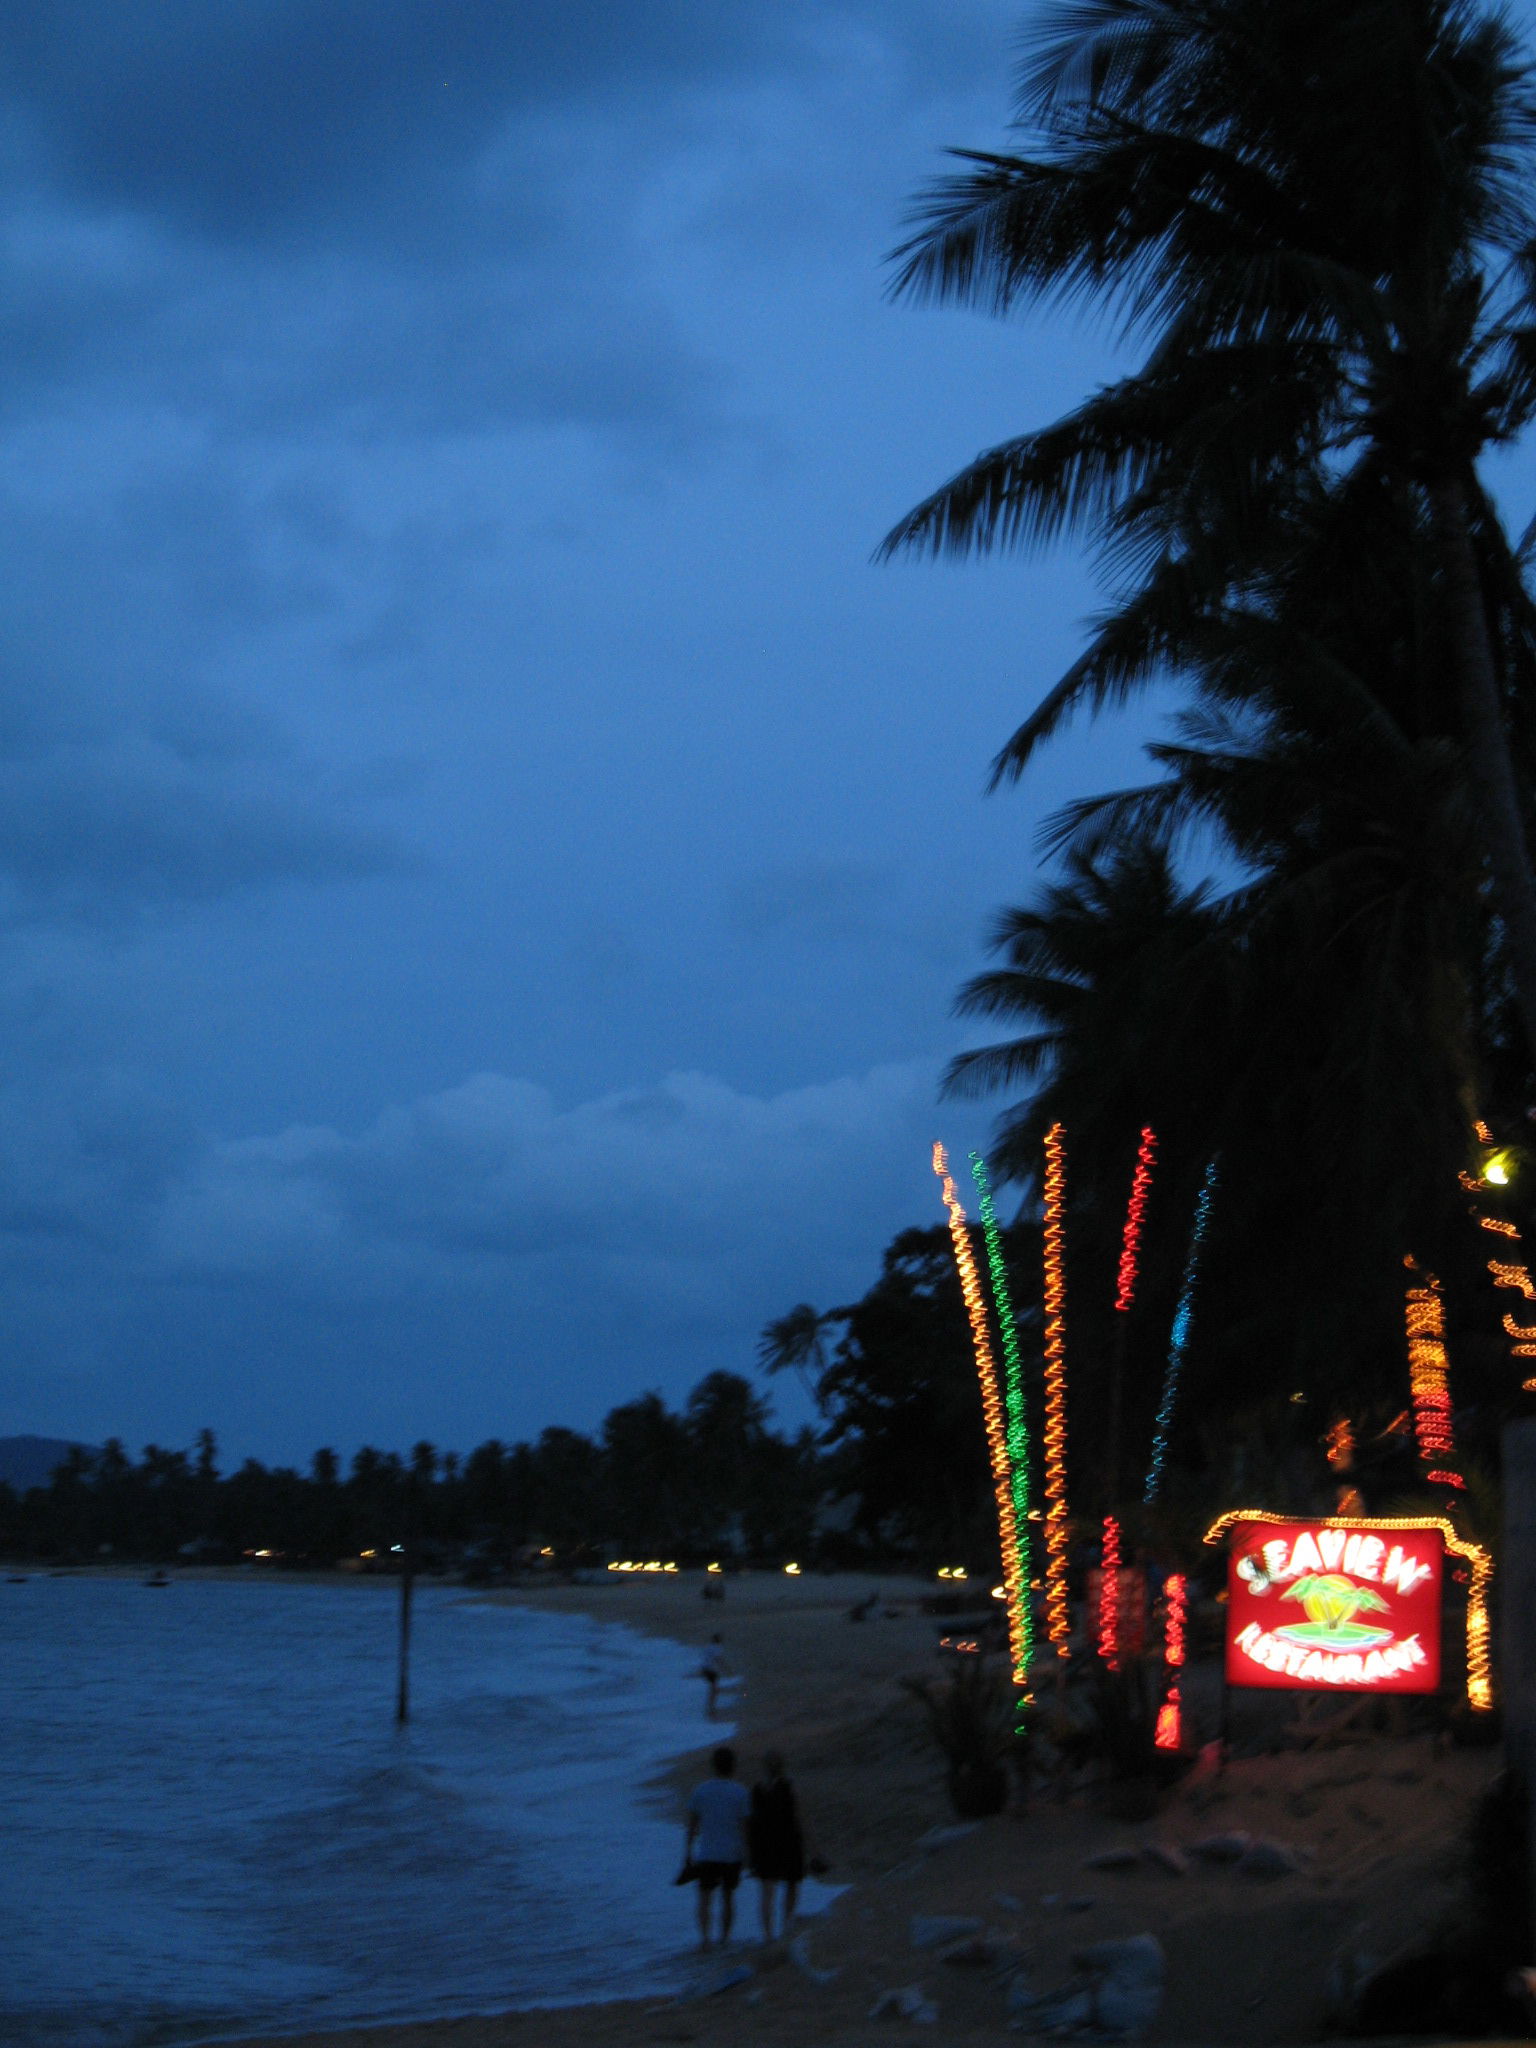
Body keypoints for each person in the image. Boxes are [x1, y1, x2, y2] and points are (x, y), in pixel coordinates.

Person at [685, 1745, 752, 1949]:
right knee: (728, 1897)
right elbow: (744, 1828)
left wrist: (687, 1852)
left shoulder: (701, 1790)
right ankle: (724, 1939)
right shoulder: (740, 1792)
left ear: (713, 1766)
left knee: (705, 1898)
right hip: (731, 1854)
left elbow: (692, 1826)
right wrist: (747, 1854)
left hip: (707, 1853)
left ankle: (705, 1939)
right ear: (732, 1766)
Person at [748, 1749, 806, 1941]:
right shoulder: (789, 1786)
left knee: (767, 1891)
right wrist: (814, 1847)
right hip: (788, 1840)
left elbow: (752, 1821)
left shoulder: (757, 1789)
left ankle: (768, 1935)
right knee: (791, 1885)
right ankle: (786, 1926)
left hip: (765, 1843)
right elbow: (798, 1816)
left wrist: (750, 1849)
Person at [697, 1633, 727, 1716]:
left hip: (705, 1669)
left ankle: (711, 1705)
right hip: (711, 1670)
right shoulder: (718, 1648)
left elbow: (705, 1659)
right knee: (714, 1688)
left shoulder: (708, 1647)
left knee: (713, 1687)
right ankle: (711, 1706)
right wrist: (726, 1668)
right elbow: (718, 1659)